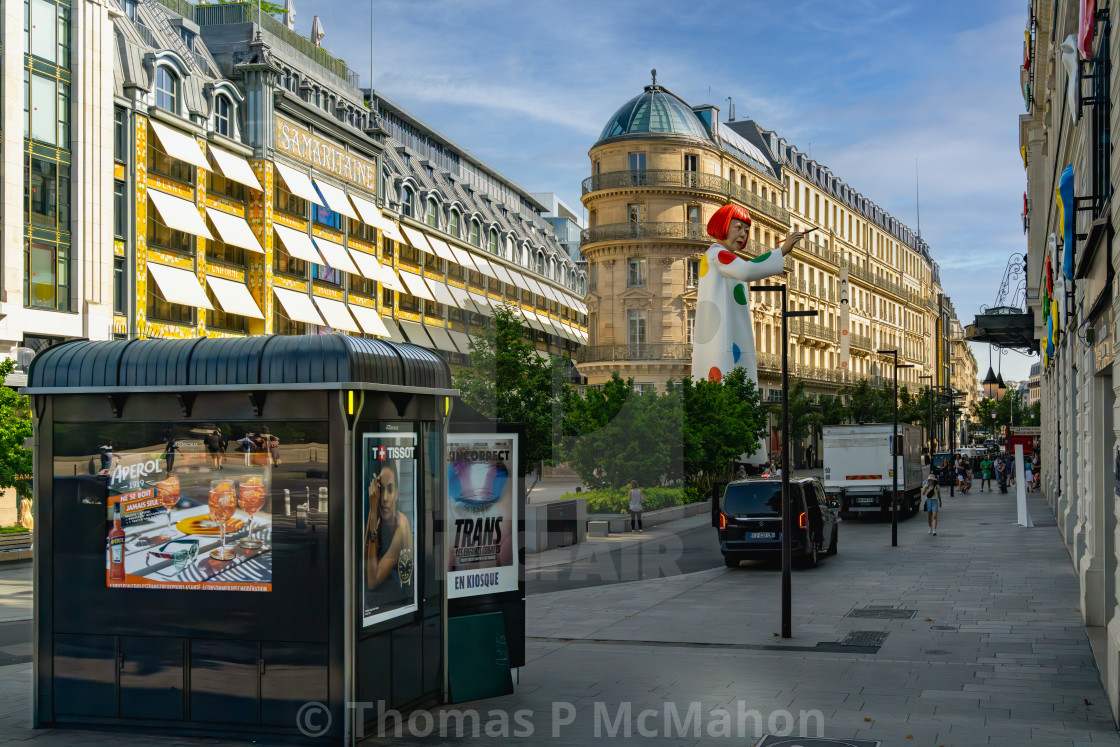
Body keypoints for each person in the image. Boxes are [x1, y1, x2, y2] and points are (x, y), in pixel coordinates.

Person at [691, 203, 809, 467]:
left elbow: (745, 269)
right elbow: (747, 270)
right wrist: (781, 251)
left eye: (746, 229)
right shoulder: (717, 255)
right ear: (723, 225)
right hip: (721, 344)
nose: (743, 233)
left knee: (738, 389)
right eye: (738, 226)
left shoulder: (721, 257)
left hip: (730, 342)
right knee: (729, 387)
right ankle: (743, 459)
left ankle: (745, 458)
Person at [365, 461, 413, 595]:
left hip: (402, 603)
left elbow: (372, 581)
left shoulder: (401, 526)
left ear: (397, 493)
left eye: (390, 490)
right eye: (381, 489)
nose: (385, 498)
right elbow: (364, 559)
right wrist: (372, 510)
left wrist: (373, 512)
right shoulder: (382, 521)